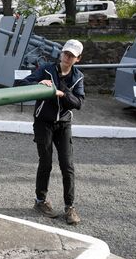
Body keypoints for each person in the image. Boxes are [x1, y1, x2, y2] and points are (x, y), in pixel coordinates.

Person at [15, 39, 85, 225]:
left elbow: (78, 103)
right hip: (43, 122)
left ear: (77, 59)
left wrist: (62, 92)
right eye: (65, 53)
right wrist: (39, 83)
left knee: (67, 165)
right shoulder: (46, 69)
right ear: (61, 53)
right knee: (45, 162)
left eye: (72, 55)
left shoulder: (78, 76)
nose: (67, 57)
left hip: (63, 124)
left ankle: (70, 207)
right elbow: (20, 84)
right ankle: (40, 201)